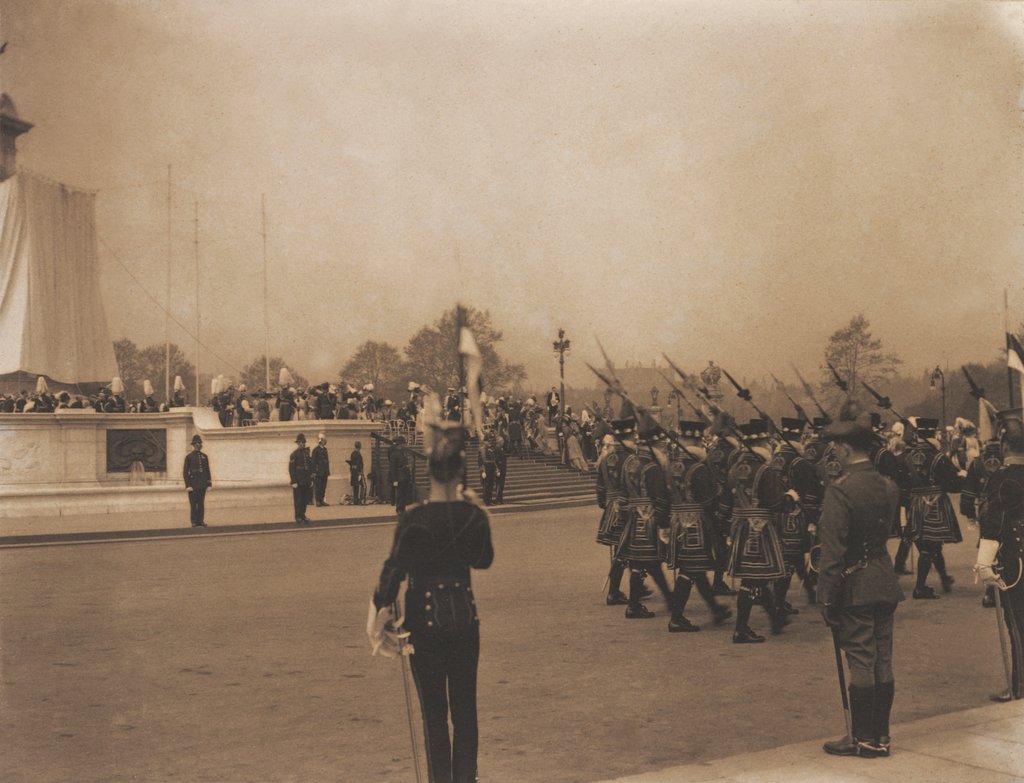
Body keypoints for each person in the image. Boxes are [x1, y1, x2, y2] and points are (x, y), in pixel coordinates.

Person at [369, 420, 493, 783]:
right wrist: (479, 512)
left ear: (428, 470)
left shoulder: (414, 516)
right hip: (463, 616)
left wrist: (382, 605)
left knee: (435, 715)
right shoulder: (471, 515)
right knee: (465, 712)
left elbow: (394, 569)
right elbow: (483, 559)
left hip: (424, 620)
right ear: (459, 470)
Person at [818, 402, 903, 758]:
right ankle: (880, 736)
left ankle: (862, 738)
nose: (833, 450)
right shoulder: (888, 485)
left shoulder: (840, 490)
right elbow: (891, 532)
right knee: (883, 658)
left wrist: (826, 598)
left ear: (846, 448)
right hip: (884, 579)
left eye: (836, 446)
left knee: (861, 661)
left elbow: (833, 553)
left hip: (854, 587)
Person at [721, 420, 791, 643]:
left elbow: (725, 501)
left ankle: (775, 616)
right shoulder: (765, 470)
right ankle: (741, 629)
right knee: (752, 579)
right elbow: (775, 503)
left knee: (756, 576)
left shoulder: (733, 469)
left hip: (740, 527)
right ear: (761, 442)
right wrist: (792, 498)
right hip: (760, 529)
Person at [975, 407, 1024, 702]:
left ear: (1004, 446)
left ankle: (1019, 685)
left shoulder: (1001, 478)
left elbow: (993, 521)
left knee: (1018, 622)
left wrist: (983, 562)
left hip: (1015, 558)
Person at [664, 420, 732, 631]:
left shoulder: (671, 466)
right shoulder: (699, 468)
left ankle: (715, 608)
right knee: (689, 570)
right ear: (696, 440)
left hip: (677, 523)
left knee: (696, 569)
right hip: (697, 525)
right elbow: (709, 500)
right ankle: (676, 618)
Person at [900, 417, 963, 599]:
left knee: (927, 545)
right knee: (931, 546)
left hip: (915, 503)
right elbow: (952, 484)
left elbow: (902, 483)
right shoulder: (939, 457)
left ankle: (943, 578)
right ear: (933, 435)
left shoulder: (907, 456)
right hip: (935, 503)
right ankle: (920, 587)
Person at [183, 434, 212, 527]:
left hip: (202, 484)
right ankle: (194, 521)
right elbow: (185, 472)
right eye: (198, 443)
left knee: (201, 503)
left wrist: (209, 483)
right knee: (193, 504)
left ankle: (201, 521)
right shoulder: (189, 457)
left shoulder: (205, 456)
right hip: (193, 484)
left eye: (200, 443)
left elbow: (207, 470)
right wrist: (188, 485)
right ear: (194, 445)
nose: (200, 445)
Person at [289, 433, 313, 524]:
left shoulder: (306, 454)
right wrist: (293, 481)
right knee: (298, 499)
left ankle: (303, 515)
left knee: (305, 499)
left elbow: (309, 467)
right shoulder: (294, 454)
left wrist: (310, 480)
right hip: (298, 480)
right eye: (302, 442)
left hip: (306, 480)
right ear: (298, 443)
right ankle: (298, 516)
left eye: (304, 442)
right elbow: (291, 469)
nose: (303, 444)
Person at [389, 435, 415, 513]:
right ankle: (399, 509)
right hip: (399, 477)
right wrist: (394, 480)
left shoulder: (403, 453)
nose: (404, 445)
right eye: (403, 443)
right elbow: (393, 468)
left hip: (405, 476)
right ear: (399, 444)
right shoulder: (394, 454)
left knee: (404, 494)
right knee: (400, 494)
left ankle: (402, 508)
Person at [478, 431, 499, 506]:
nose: (489, 443)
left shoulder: (489, 450)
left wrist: (496, 469)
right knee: (486, 487)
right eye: (487, 441)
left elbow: (493, 460)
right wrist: (483, 471)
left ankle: (489, 501)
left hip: (491, 470)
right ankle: (486, 501)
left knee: (490, 486)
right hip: (486, 470)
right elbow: (481, 462)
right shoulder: (482, 450)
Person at [312, 433, 331, 506]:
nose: (325, 441)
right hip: (318, 472)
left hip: (324, 472)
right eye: (324, 440)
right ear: (321, 440)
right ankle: (318, 501)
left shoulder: (325, 449)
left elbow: (327, 461)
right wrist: (314, 472)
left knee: (323, 486)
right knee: (318, 487)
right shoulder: (316, 450)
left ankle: (322, 500)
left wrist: (328, 471)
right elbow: (313, 462)